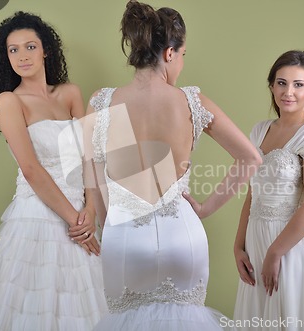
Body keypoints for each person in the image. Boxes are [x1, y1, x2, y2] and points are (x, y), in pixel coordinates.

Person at [83, 1, 261, 330]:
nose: (180, 64)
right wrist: (205, 208)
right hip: (182, 235)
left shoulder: (100, 102)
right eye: (182, 56)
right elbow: (251, 158)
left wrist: (107, 228)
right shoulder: (191, 101)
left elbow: (94, 178)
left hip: (124, 239)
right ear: (169, 53)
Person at [0, 11, 107, 330]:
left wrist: (90, 209)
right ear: (5, 56)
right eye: (13, 50)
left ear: (45, 50)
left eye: (30, 47)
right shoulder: (9, 101)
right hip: (38, 217)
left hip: (81, 215)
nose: (22, 56)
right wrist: (75, 223)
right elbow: (31, 169)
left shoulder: (71, 93)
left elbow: (89, 158)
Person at [233, 50, 304, 330]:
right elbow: (252, 192)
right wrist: (238, 245)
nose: (288, 92)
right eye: (281, 83)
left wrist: (275, 252)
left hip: (290, 246)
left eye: (298, 84)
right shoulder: (259, 131)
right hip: (257, 242)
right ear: (271, 85)